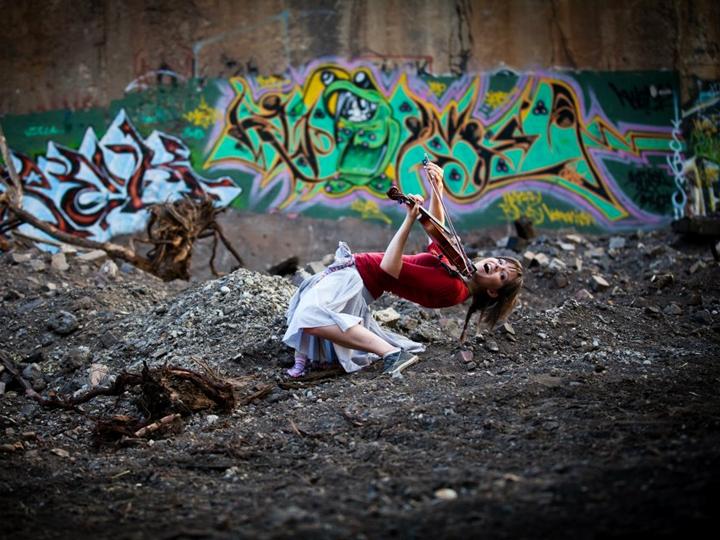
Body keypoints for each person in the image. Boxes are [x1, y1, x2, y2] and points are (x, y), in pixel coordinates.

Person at [282, 161, 524, 378]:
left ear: (493, 291)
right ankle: (305, 361)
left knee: (310, 315)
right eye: (500, 262)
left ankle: (392, 353)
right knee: (308, 301)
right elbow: (436, 235)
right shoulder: (459, 269)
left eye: (501, 275)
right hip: (356, 275)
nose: (496, 266)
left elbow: (389, 267)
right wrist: (437, 189)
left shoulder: (452, 287)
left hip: (359, 279)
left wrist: (408, 220)